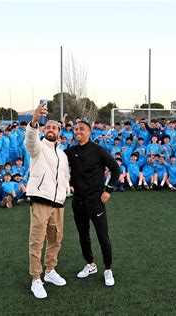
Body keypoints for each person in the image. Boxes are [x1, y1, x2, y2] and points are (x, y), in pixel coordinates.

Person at [65, 120, 120, 287]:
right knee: (83, 236)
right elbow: (56, 161)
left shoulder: (98, 150)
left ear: (89, 132)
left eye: (82, 129)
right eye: (76, 129)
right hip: (78, 201)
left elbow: (115, 169)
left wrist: (108, 190)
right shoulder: (70, 151)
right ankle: (90, 264)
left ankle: (108, 269)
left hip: (95, 201)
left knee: (103, 237)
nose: (78, 131)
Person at [25, 105, 71, 299]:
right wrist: (34, 122)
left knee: (55, 239)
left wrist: (66, 191)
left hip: (58, 202)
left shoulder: (62, 154)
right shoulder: (38, 147)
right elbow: (30, 140)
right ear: (44, 131)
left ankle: (50, 271)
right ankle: (36, 279)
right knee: (37, 241)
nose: (51, 130)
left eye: (55, 128)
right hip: (41, 199)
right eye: (48, 128)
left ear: (59, 133)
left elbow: (64, 176)